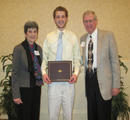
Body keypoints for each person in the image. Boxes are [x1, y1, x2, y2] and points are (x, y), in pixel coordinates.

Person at [42, 6, 81, 120]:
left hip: (69, 82)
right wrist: (44, 73)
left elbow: (77, 59)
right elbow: (44, 59)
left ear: (67, 18)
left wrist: (76, 73)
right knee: (52, 115)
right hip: (53, 83)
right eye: (58, 17)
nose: (60, 19)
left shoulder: (73, 37)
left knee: (68, 115)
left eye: (63, 16)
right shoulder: (48, 37)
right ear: (54, 19)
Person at [80, 10, 120, 120]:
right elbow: (81, 60)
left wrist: (116, 84)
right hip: (89, 79)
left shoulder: (108, 36)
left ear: (96, 21)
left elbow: (114, 61)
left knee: (103, 113)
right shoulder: (82, 39)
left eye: (90, 21)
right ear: (83, 23)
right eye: (85, 21)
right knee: (91, 113)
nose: (88, 24)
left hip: (104, 81)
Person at [11, 21, 43, 120]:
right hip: (23, 89)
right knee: (24, 116)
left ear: (37, 33)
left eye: (34, 31)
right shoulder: (18, 49)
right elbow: (15, 73)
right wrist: (16, 95)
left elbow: (42, 67)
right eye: (30, 31)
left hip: (36, 87)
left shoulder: (39, 49)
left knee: (34, 115)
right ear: (25, 33)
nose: (32, 34)